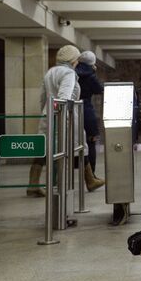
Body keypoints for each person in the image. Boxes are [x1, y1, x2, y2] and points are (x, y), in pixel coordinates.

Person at [27, 45, 89, 196]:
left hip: (48, 115)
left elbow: (42, 97)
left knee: (44, 149)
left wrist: (46, 111)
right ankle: (59, 185)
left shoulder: (51, 72)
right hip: (64, 117)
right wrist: (63, 116)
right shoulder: (69, 73)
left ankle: (33, 184)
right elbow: (64, 97)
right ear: (74, 60)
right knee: (72, 148)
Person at [75, 51, 105, 191]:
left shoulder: (73, 72)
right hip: (86, 109)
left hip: (73, 110)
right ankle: (91, 176)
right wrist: (94, 72)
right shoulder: (90, 75)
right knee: (91, 141)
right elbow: (99, 89)